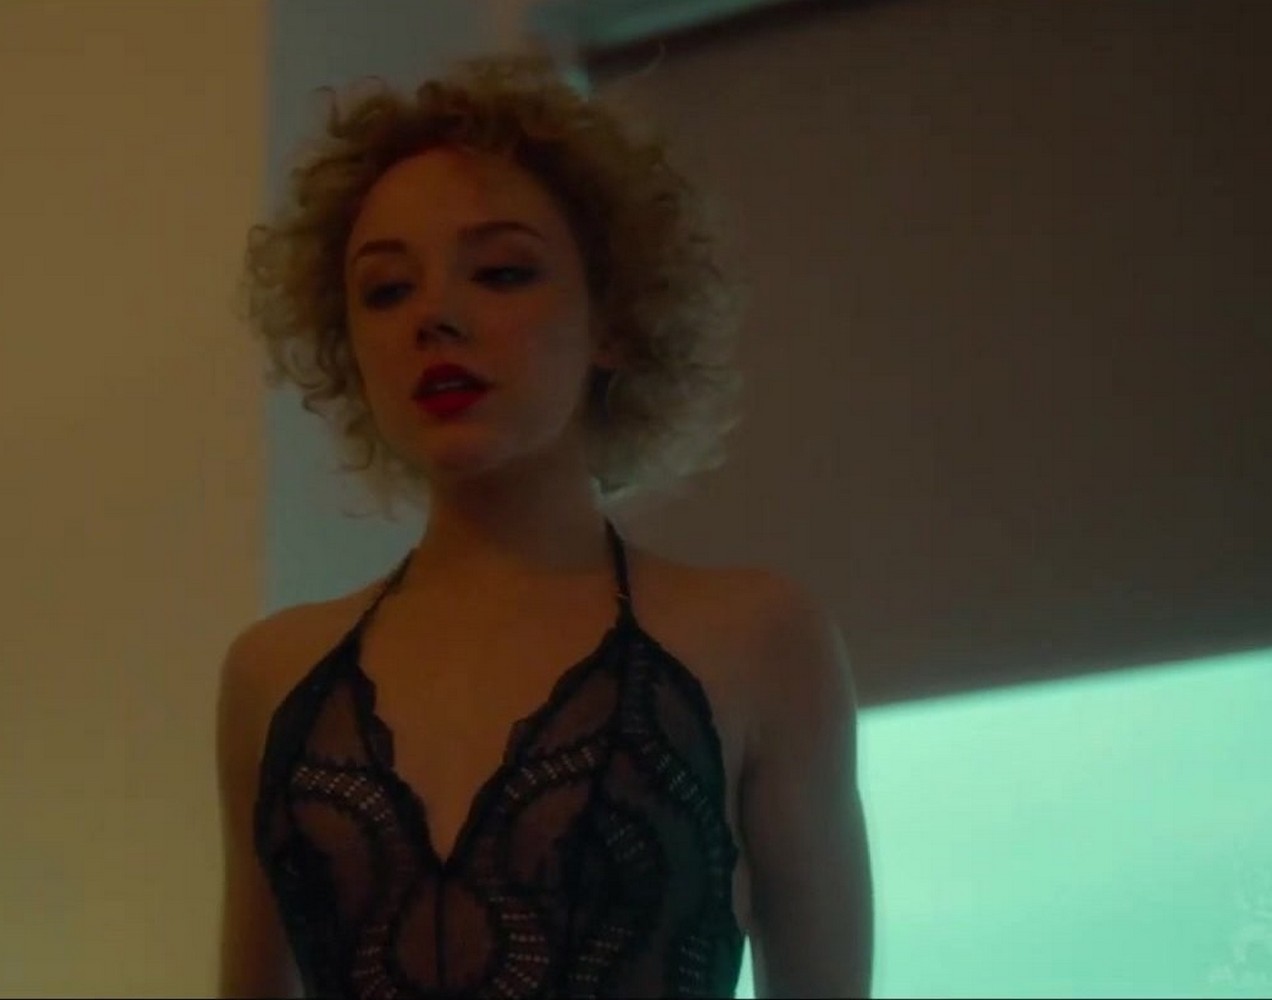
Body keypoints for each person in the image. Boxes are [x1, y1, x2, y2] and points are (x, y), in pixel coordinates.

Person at [216, 52, 872, 999]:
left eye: (501, 271)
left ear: (614, 320)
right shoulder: (270, 675)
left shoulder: (758, 641)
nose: (435, 317)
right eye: (387, 290)